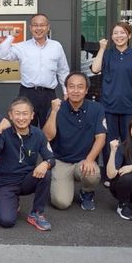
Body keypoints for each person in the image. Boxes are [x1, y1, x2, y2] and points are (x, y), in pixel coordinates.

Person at [0, 97, 54, 231]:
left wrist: (46, 164)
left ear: (32, 115)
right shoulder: (4, 133)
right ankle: (12, 202)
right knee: (6, 221)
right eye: (17, 114)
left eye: (25, 114)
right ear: (10, 115)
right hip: (6, 182)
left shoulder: (38, 134)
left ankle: (37, 213)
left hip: (27, 180)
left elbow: (51, 158)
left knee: (46, 173)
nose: (21, 118)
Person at [43, 72, 107, 211]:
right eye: (71, 87)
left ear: (86, 90)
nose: (76, 90)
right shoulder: (57, 108)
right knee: (61, 203)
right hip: (61, 161)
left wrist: (90, 159)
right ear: (66, 89)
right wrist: (54, 112)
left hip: (83, 161)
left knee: (92, 174)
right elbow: (47, 136)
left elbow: (101, 137)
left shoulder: (97, 108)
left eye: (80, 87)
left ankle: (87, 192)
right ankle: (59, 182)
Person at [0, 13, 69, 127]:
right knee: (26, 127)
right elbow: (2, 55)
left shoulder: (56, 46)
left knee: (50, 127)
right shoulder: (22, 47)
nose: (39, 28)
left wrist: (66, 91)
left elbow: (63, 70)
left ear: (48, 27)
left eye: (42, 25)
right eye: (35, 25)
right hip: (28, 93)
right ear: (30, 28)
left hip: (49, 94)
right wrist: (11, 36)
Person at [91, 22, 132, 169]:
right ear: (111, 36)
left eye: (122, 33)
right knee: (110, 142)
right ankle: (110, 172)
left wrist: (127, 88)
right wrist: (102, 48)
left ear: (129, 35)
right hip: (108, 106)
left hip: (130, 106)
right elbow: (95, 69)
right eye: (115, 33)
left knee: (130, 140)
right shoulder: (107, 54)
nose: (119, 36)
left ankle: (128, 170)